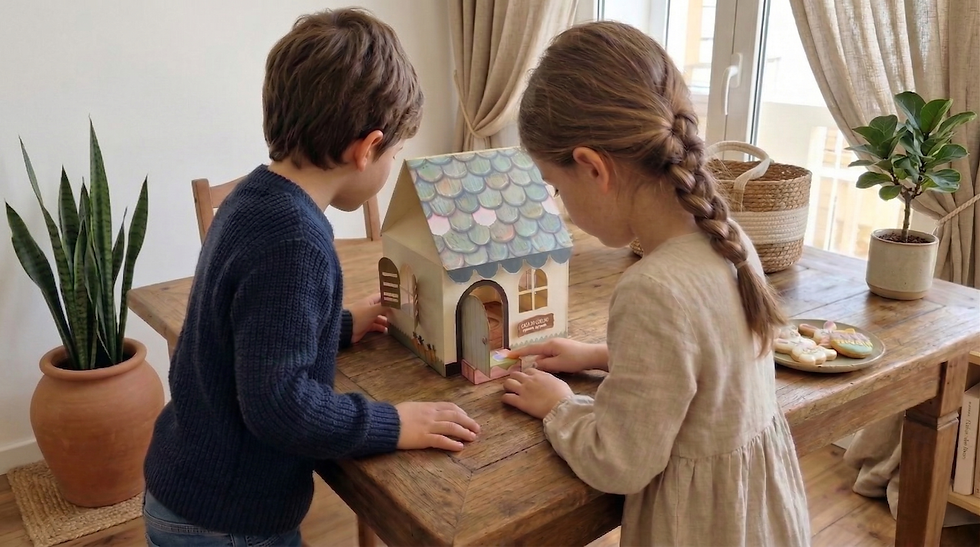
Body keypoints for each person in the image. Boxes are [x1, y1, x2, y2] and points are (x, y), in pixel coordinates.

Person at [142, 9, 480, 546]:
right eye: (394, 153)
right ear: (366, 149)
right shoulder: (295, 240)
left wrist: (338, 324)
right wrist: (393, 424)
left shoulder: (253, 197)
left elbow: (252, 329)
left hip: (188, 482)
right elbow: (280, 406)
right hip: (228, 519)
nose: (391, 162)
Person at [502, 21, 810, 547]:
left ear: (592, 168)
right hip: (760, 514)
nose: (561, 205)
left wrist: (559, 406)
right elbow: (707, 364)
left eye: (555, 187)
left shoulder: (652, 288)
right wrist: (600, 355)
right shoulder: (728, 237)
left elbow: (619, 462)